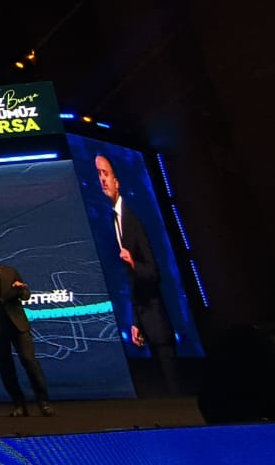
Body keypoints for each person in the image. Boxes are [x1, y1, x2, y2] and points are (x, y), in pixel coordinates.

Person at [95, 154, 178, 394]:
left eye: (105, 174)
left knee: (175, 392)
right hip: (143, 320)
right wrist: (135, 322)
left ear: (117, 181)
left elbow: (154, 272)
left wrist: (133, 262)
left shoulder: (133, 219)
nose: (102, 180)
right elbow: (131, 281)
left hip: (157, 322)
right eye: (98, 174)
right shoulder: (113, 218)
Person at [0, 238, 55, 416]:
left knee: (29, 361)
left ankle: (44, 402)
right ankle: (19, 404)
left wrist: (21, 290)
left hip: (17, 324)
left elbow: (26, 295)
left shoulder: (10, 271)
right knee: (6, 365)